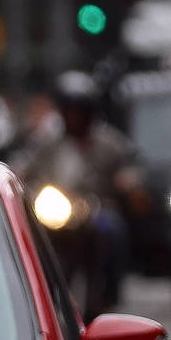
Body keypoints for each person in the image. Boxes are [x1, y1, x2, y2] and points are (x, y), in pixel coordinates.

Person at [12, 70, 139, 309]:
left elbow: (129, 166)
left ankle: (109, 292)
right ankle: (42, 298)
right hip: (57, 212)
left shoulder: (108, 142)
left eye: (80, 111)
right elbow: (23, 166)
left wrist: (127, 180)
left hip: (96, 210)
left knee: (112, 231)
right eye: (70, 111)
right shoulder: (47, 143)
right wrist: (16, 177)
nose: (75, 117)